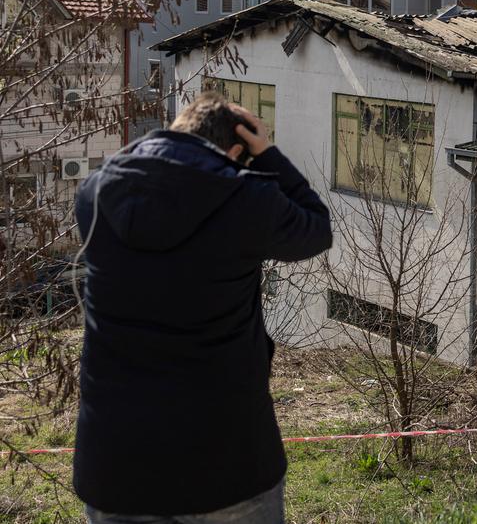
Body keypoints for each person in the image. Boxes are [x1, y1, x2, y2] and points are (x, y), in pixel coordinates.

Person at [73, 91, 332, 523]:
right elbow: (316, 229)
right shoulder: (247, 199)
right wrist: (267, 154)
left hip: (115, 464)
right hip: (226, 463)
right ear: (235, 149)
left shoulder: (95, 194)